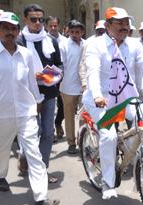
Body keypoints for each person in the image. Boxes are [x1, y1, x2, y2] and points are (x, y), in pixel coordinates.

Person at [0, 12, 60, 205]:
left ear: (18, 31)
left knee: (34, 152)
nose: (10, 32)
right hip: (0, 112)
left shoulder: (26, 54)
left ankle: (41, 196)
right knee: (1, 148)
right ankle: (0, 176)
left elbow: (31, 82)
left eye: (13, 28)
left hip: (26, 111)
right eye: (5, 28)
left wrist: (37, 100)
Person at [82, 7, 143, 199]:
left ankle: (128, 152)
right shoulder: (95, 45)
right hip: (102, 101)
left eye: (126, 23)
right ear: (107, 26)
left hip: (125, 97)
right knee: (108, 136)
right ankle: (108, 181)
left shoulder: (134, 45)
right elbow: (92, 72)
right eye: (119, 23)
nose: (124, 26)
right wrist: (98, 95)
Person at [17, 4, 63, 183]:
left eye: (40, 20)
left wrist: (51, 76)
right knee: (32, 132)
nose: (38, 23)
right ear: (25, 20)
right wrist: (31, 75)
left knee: (48, 133)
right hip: (27, 94)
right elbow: (14, 68)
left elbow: (59, 65)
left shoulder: (51, 41)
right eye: (33, 19)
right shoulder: (19, 41)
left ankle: (42, 169)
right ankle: (24, 155)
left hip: (49, 92)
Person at [59, 20, 85, 154]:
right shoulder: (63, 45)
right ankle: (71, 142)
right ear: (68, 31)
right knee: (69, 117)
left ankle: (83, 140)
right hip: (67, 87)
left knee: (84, 116)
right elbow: (60, 65)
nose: (75, 34)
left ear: (82, 32)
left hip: (84, 87)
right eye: (72, 32)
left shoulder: (86, 44)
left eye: (78, 32)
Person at [45, 15, 67, 140]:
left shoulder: (65, 40)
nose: (53, 28)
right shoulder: (43, 40)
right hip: (47, 76)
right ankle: (50, 131)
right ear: (46, 26)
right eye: (50, 26)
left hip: (63, 75)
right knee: (49, 104)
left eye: (55, 25)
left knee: (62, 104)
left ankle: (58, 122)